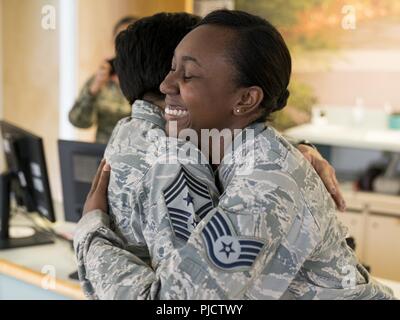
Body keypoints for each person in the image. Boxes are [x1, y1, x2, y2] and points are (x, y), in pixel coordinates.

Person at [72, 10, 383, 300]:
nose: (165, 85)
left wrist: (91, 232)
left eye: (189, 74)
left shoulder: (267, 188)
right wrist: (297, 148)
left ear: (246, 99)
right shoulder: (227, 148)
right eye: (171, 68)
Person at [69, 16, 137, 144]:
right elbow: (78, 121)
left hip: (138, 157)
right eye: (120, 39)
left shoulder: (150, 81)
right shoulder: (101, 80)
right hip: (103, 156)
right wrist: (95, 87)